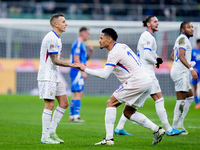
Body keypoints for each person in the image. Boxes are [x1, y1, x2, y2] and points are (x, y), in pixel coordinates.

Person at [77, 28, 165, 145]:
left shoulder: (114, 52)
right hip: (147, 81)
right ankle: (157, 130)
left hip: (137, 81)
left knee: (111, 103)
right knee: (128, 112)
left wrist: (85, 69)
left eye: (101, 38)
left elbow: (104, 75)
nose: (99, 41)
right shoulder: (122, 46)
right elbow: (108, 70)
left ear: (109, 40)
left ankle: (109, 139)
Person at [115, 15, 184, 136]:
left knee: (132, 103)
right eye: (155, 21)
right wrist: (155, 61)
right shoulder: (147, 36)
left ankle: (119, 127)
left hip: (142, 72)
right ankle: (168, 129)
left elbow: (149, 53)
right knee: (159, 98)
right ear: (148, 24)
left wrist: (156, 58)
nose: (157, 23)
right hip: (147, 74)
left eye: (158, 21)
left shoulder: (148, 36)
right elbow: (146, 55)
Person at [37, 13, 79, 144]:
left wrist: (72, 64)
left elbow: (58, 59)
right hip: (47, 76)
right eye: (63, 21)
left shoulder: (57, 38)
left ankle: (52, 131)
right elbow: (55, 60)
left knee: (64, 103)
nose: (66, 24)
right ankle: (45, 137)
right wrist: (73, 64)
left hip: (54, 75)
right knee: (49, 104)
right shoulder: (51, 38)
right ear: (56, 24)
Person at [170, 21, 198, 135]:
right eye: (188, 27)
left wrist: (184, 63)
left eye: (192, 27)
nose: (191, 29)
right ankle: (174, 127)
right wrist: (190, 68)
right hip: (181, 73)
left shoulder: (181, 39)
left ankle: (180, 124)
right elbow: (180, 56)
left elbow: (173, 56)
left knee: (190, 97)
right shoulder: (183, 39)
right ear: (182, 30)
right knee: (181, 100)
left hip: (181, 71)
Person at [69, 27, 93, 122]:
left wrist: (90, 51)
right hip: (77, 71)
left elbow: (84, 59)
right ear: (82, 34)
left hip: (77, 70)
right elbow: (76, 59)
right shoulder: (78, 43)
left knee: (76, 93)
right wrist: (82, 72)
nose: (89, 36)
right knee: (79, 93)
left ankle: (72, 116)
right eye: (88, 34)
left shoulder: (82, 44)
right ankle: (76, 116)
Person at [191, 39, 200, 109]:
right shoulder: (193, 51)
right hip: (195, 72)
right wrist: (192, 68)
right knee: (195, 87)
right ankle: (197, 103)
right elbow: (189, 61)